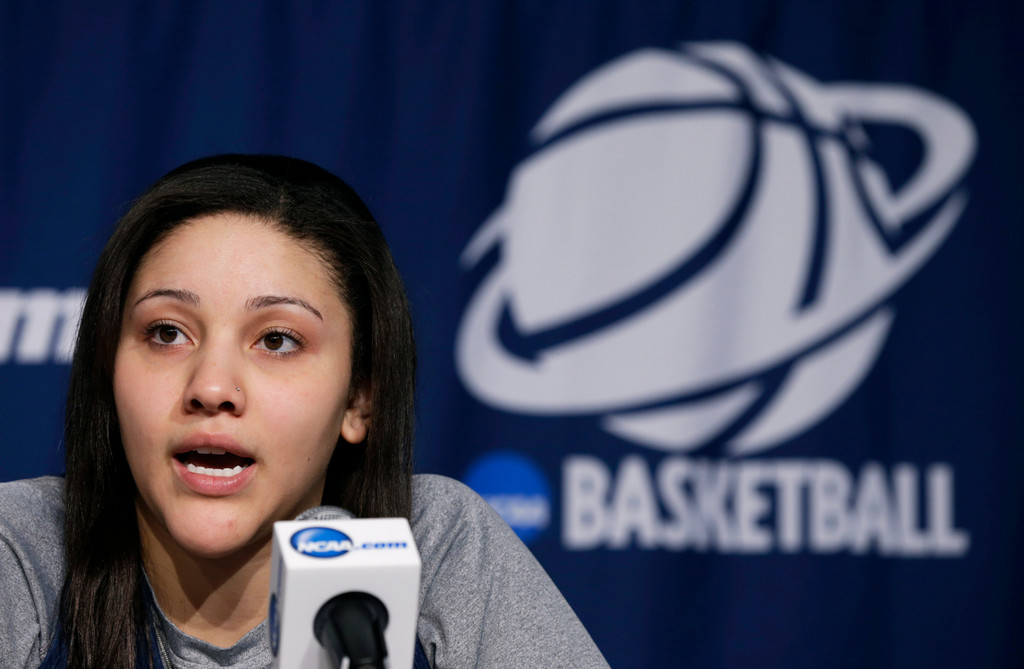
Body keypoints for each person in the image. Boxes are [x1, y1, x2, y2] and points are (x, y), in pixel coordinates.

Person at [0, 155, 609, 669]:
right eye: (166, 332)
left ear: (358, 399)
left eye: (277, 341)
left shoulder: (438, 546)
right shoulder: (23, 551)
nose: (211, 387)